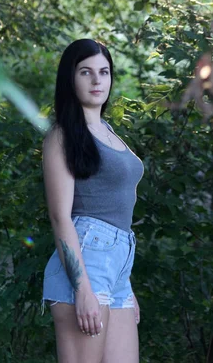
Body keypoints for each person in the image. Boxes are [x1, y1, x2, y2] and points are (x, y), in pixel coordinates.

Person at [42, 38, 144, 363]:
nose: (97, 80)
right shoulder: (62, 136)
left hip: (117, 268)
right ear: (70, 79)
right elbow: (60, 217)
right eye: (86, 72)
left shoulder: (108, 131)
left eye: (104, 71)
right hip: (85, 262)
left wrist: (122, 280)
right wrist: (82, 287)